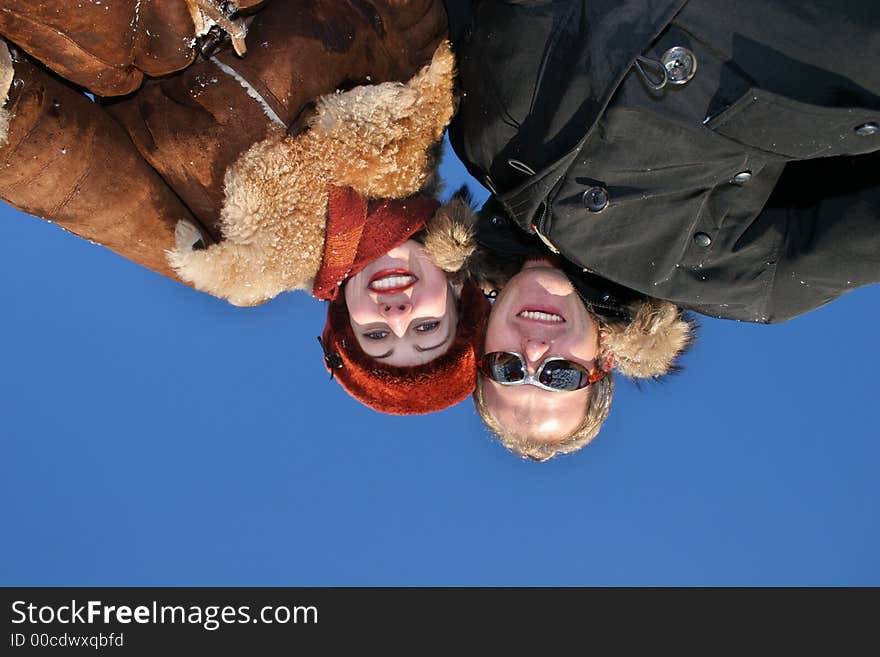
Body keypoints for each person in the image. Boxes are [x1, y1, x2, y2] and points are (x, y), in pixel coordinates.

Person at [0, 0, 486, 415]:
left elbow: (81, 179)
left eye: (377, 337)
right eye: (426, 327)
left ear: (346, 319)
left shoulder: (242, 262)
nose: (397, 315)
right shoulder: (423, 92)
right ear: (455, 292)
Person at [445, 0, 880, 457]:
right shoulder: (737, 277)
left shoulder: (479, 137)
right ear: (604, 360)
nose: (532, 353)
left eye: (507, 368)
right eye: (560, 376)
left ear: (484, 336)